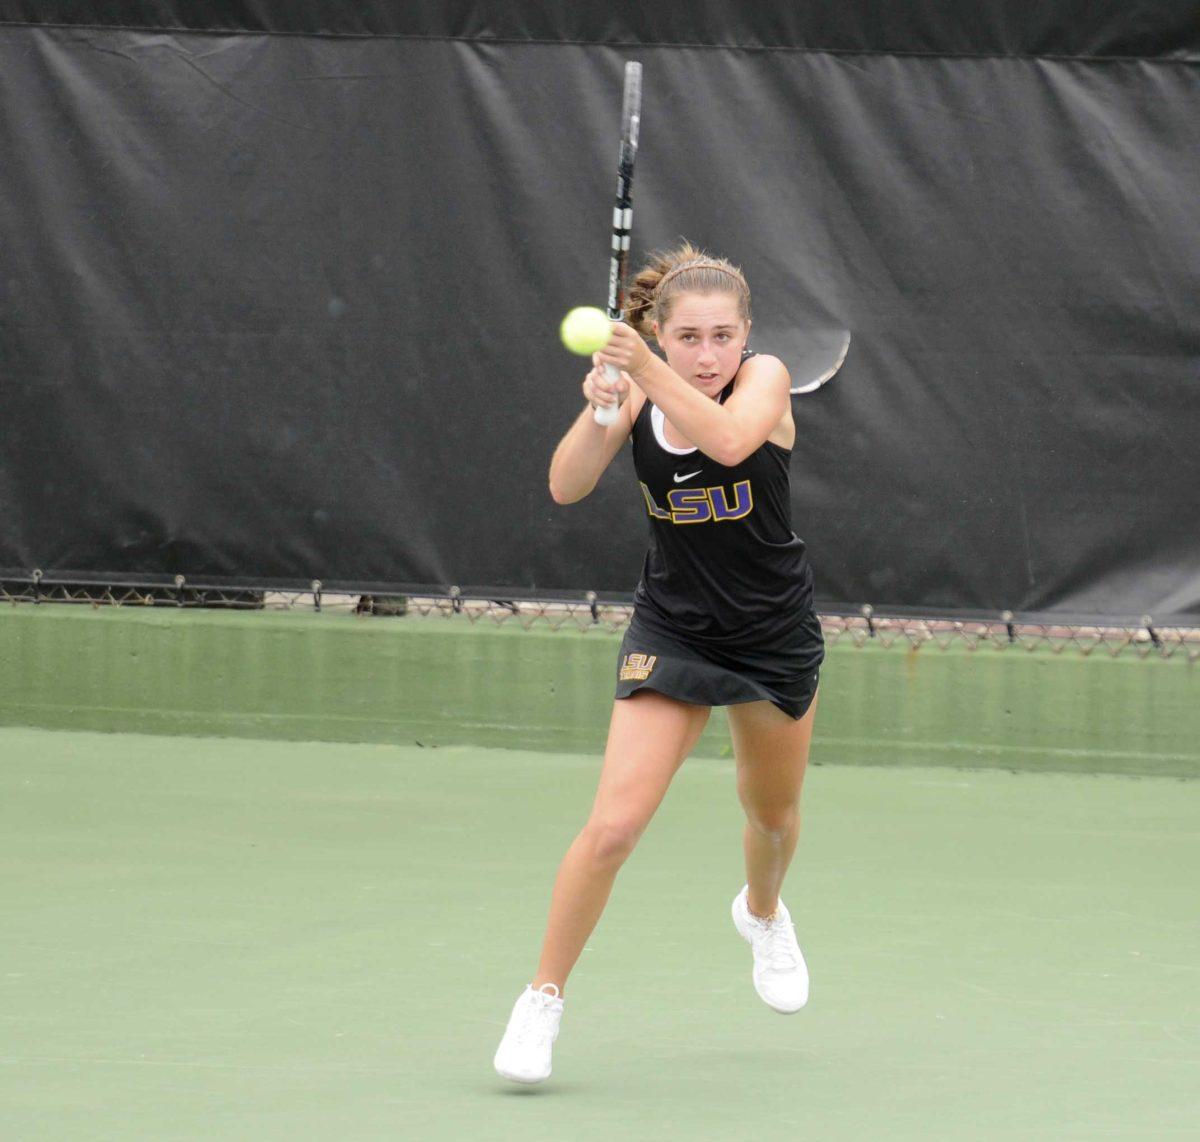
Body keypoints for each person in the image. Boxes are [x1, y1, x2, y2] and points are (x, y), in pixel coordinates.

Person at [493, 243, 824, 1084]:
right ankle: (542, 999)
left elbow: (728, 445)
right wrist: (604, 408)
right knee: (612, 828)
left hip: (772, 635)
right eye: (688, 338)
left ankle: (762, 912)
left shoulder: (766, 380)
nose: (708, 354)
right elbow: (567, 486)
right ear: (661, 335)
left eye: (722, 337)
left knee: (772, 817)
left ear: (745, 336)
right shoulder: (640, 386)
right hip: (673, 627)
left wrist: (642, 365)